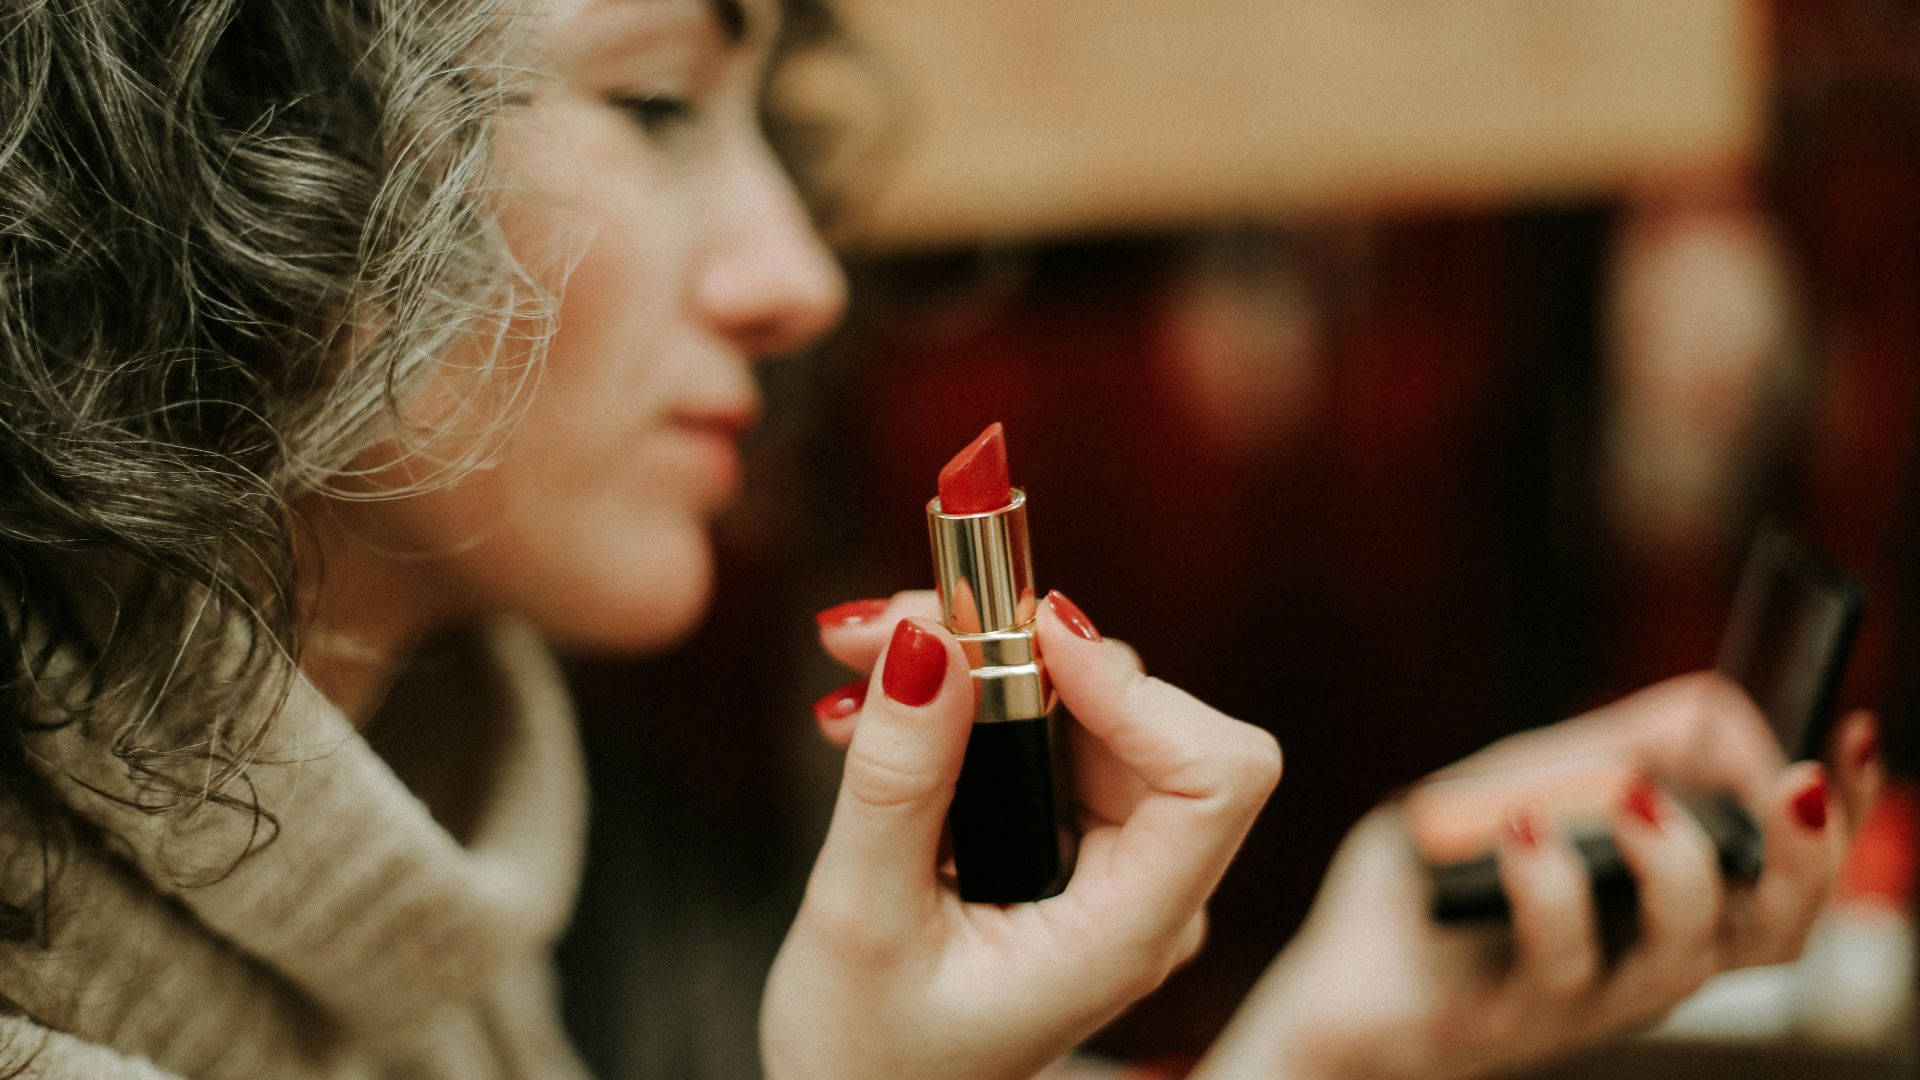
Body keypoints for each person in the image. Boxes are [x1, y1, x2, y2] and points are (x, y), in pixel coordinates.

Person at [0, 0, 1880, 1078]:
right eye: (654, 104)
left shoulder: (439, 881)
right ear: (226, 131)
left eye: (760, 120)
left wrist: (1337, 1035)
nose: (801, 275)